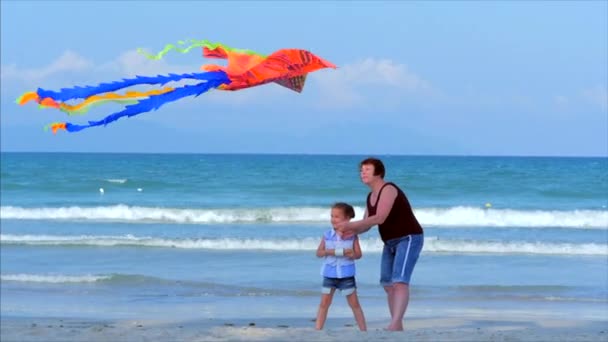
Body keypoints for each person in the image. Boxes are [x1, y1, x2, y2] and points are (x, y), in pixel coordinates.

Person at [335, 157, 424, 331]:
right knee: (387, 283)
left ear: (379, 173)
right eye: (361, 170)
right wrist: (350, 232)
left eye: (367, 170)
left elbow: (379, 218)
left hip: (409, 238)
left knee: (399, 281)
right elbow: (367, 223)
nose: (363, 173)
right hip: (390, 241)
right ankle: (395, 323)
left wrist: (350, 225)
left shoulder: (388, 189)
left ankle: (396, 323)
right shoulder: (370, 196)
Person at [314, 202, 367, 331]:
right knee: (324, 304)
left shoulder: (353, 236)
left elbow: (359, 254)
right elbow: (319, 253)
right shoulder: (327, 235)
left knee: (354, 304)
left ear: (347, 219)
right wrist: (332, 252)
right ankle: (318, 330)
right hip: (329, 275)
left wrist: (352, 254)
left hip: (346, 276)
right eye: (332, 216)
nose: (333, 219)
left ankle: (364, 331)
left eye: (337, 216)